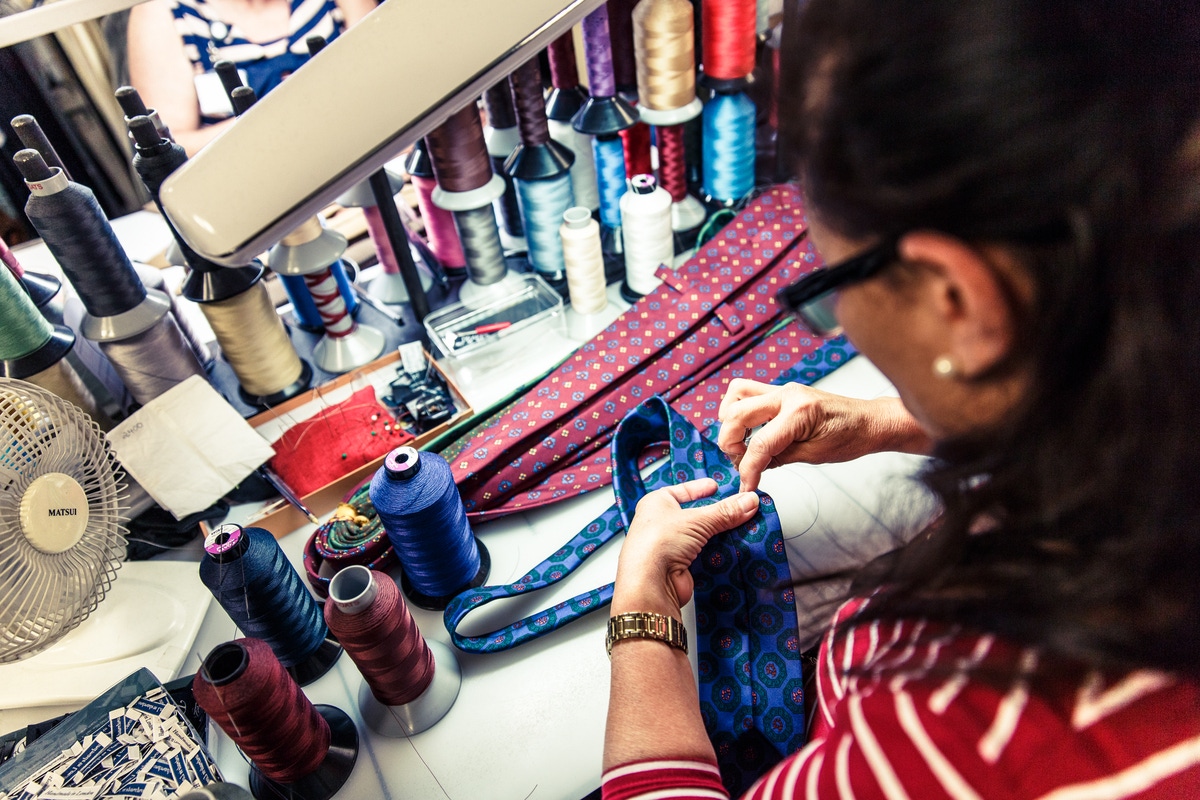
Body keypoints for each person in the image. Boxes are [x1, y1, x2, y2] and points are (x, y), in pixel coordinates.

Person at [601, 1, 1200, 797]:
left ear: (959, 297)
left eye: (830, 278)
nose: (837, 313)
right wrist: (892, 422)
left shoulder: (973, 739)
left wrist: (642, 619)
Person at [125, 0, 375, 155]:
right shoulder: (163, 10)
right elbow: (171, 149)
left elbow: (381, 75)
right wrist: (288, 112)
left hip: (365, 153)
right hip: (257, 187)